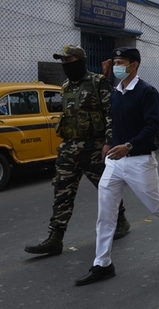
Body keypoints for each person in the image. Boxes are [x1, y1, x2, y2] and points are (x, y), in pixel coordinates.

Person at [75, 47, 159, 286]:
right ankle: (102, 264)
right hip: (115, 161)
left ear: (134, 65)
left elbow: (152, 127)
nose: (117, 66)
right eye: (115, 62)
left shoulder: (146, 92)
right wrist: (109, 143)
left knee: (156, 206)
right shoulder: (116, 92)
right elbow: (115, 121)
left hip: (139, 160)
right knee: (105, 213)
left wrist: (128, 146)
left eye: (121, 62)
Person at [24, 45, 130, 256]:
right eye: (62, 61)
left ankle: (121, 221)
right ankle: (55, 238)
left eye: (68, 60)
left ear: (80, 61)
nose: (65, 65)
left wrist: (108, 142)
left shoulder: (98, 82)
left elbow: (110, 114)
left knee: (106, 189)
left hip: (94, 147)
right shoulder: (65, 86)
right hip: (69, 147)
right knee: (62, 192)